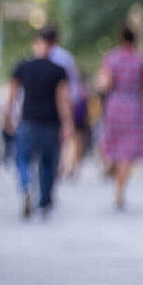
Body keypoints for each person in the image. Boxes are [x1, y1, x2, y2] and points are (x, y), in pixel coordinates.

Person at [5, 31, 76, 220]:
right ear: (52, 47)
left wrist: (8, 116)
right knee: (47, 163)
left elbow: (12, 94)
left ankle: (26, 185)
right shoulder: (57, 69)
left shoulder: (23, 66)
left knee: (23, 158)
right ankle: (44, 202)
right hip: (50, 122)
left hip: (28, 120)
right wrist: (68, 123)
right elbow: (63, 99)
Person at [95, 25, 143, 210]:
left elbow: (105, 84)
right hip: (135, 106)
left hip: (115, 105)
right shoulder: (142, 61)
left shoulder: (111, 58)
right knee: (127, 152)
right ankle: (120, 190)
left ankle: (115, 177)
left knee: (114, 146)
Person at [40, 26, 89, 177]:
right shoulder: (66, 57)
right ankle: (66, 164)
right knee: (68, 133)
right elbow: (73, 81)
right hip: (67, 100)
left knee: (52, 134)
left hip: (46, 102)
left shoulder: (40, 55)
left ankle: (58, 164)